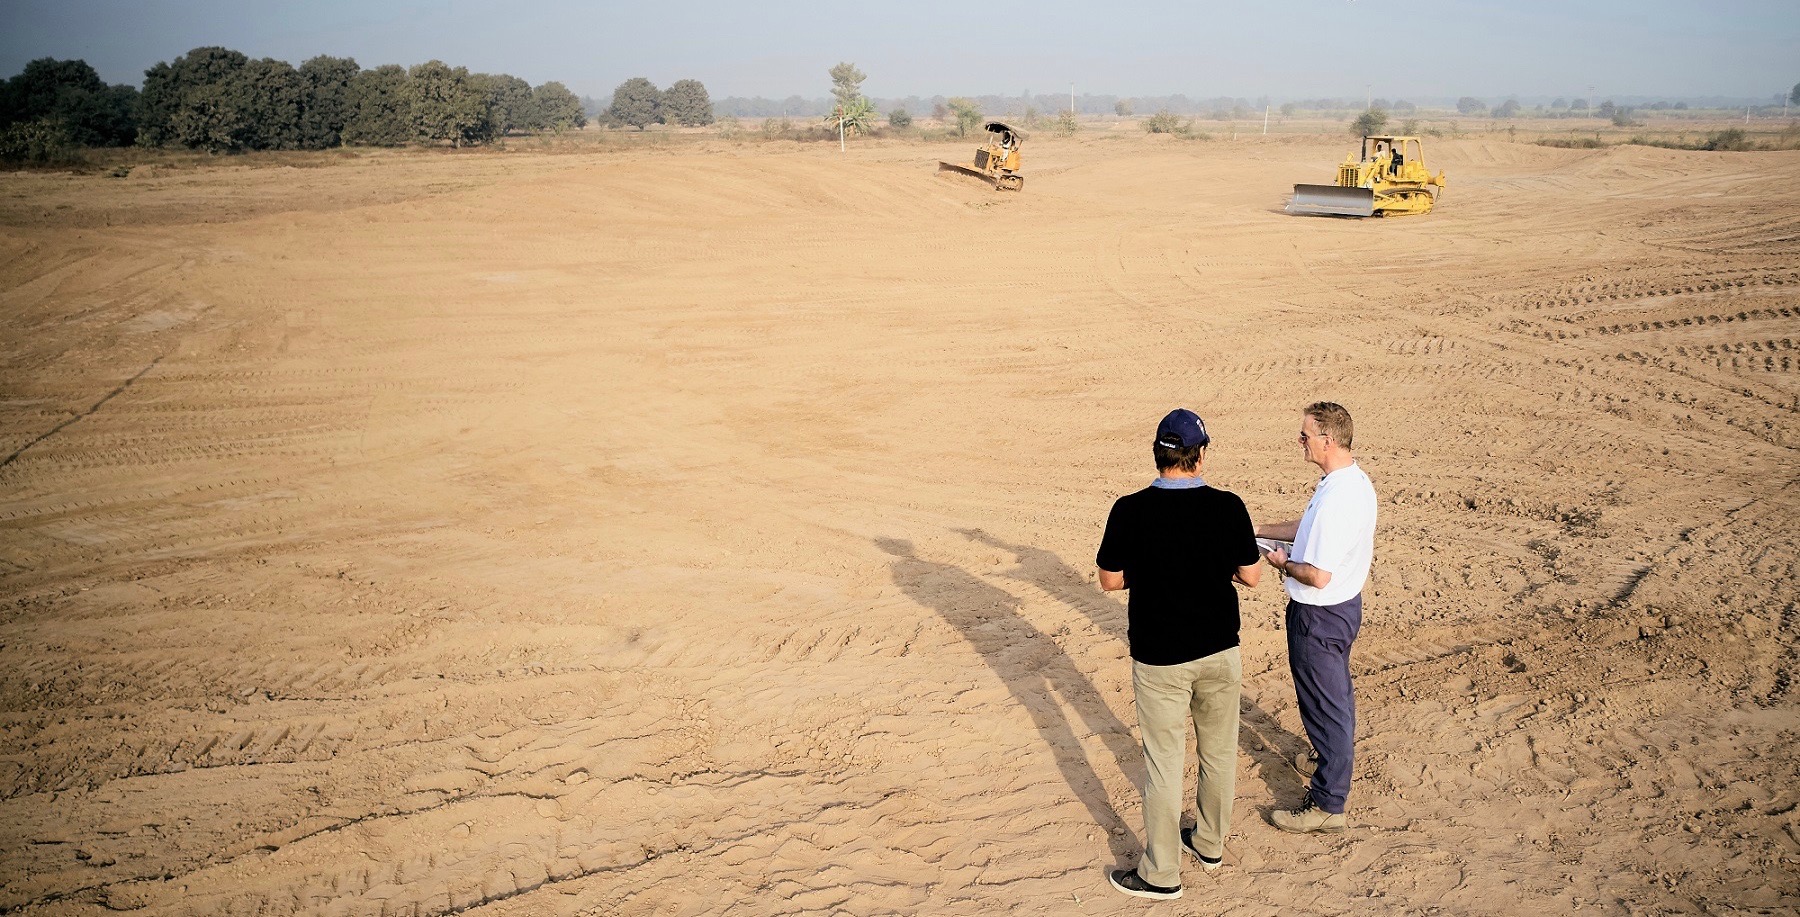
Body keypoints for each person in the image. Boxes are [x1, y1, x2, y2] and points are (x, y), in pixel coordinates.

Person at [1096, 408, 1262, 900]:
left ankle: (1161, 873)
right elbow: (1251, 575)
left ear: (1157, 454)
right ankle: (1209, 843)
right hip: (1218, 650)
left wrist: (1149, 573)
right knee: (1218, 752)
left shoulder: (1129, 509)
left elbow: (1109, 580)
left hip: (1160, 656)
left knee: (1164, 763)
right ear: (1200, 455)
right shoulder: (1228, 506)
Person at [1257, 402, 1378, 834]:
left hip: (1319, 615)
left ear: (1327, 440)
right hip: (1343, 610)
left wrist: (1280, 564)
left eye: (1305, 434)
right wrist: (1262, 528)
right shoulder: (1350, 482)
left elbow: (1317, 575)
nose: (1300, 440)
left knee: (1326, 704)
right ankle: (1327, 756)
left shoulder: (1336, 500)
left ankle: (1328, 803)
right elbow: (1308, 526)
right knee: (1334, 696)